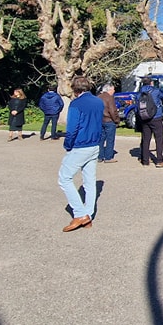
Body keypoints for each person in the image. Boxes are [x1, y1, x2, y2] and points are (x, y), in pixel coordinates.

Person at [58, 75, 103, 232]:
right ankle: (88, 215)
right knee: (89, 181)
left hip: (80, 145)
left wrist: (67, 144)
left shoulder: (76, 104)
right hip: (94, 144)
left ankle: (80, 213)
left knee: (64, 178)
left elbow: (72, 128)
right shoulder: (98, 102)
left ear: (75, 89)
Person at [138, 78, 163, 167]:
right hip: (156, 117)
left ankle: (145, 160)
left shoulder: (139, 93)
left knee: (146, 140)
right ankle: (159, 161)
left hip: (145, 117)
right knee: (159, 139)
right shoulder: (156, 91)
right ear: (151, 83)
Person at [97, 83, 120, 163]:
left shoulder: (98, 97)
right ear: (109, 90)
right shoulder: (109, 98)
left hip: (100, 120)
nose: (114, 91)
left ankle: (100, 156)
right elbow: (112, 110)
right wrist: (116, 120)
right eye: (113, 89)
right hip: (109, 120)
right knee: (110, 139)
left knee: (101, 139)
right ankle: (108, 157)